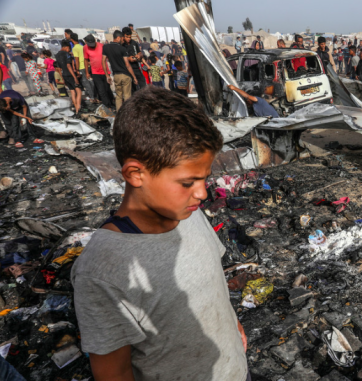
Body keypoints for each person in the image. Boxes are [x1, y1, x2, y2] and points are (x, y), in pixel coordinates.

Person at [71, 86, 249, 381]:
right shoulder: (102, 272)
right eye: (187, 182)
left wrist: (233, 326)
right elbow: (114, 373)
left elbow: (212, 284)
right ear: (135, 174)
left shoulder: (186, 214)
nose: (202, 193)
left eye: (205, 179)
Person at [103, 30, 137, 110]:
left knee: (118, 97)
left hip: (116, 75)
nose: (123, 40)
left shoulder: (106, 47)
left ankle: (119, 115)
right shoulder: (122, 49)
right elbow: (127, 65)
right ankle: (127, 115)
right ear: (118, 38)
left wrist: (107, 75)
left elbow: (103, 61)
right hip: (125, 75)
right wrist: (134, 77)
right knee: (127, 97)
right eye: (122, 38)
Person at [84, 34, 114, 109]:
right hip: (95, 73)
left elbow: (108, 57)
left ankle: (111, 101)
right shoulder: (85, 48)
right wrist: (87, 72)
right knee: (101, 90)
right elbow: (85, 60)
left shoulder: (102, 46)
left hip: (105, 72)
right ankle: (107, 106)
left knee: (107, 89)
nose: (92, 46)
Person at [122, 27, 146, 92]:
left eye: (130, 37)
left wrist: (139, 56)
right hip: (127, 70)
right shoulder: (121, 45)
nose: (129, 39)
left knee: (143, 83)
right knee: (132, 88)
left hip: (136, 68)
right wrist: (128, 59)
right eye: (127, 37)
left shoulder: (134, 43)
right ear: (123, 36)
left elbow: (140, 53)